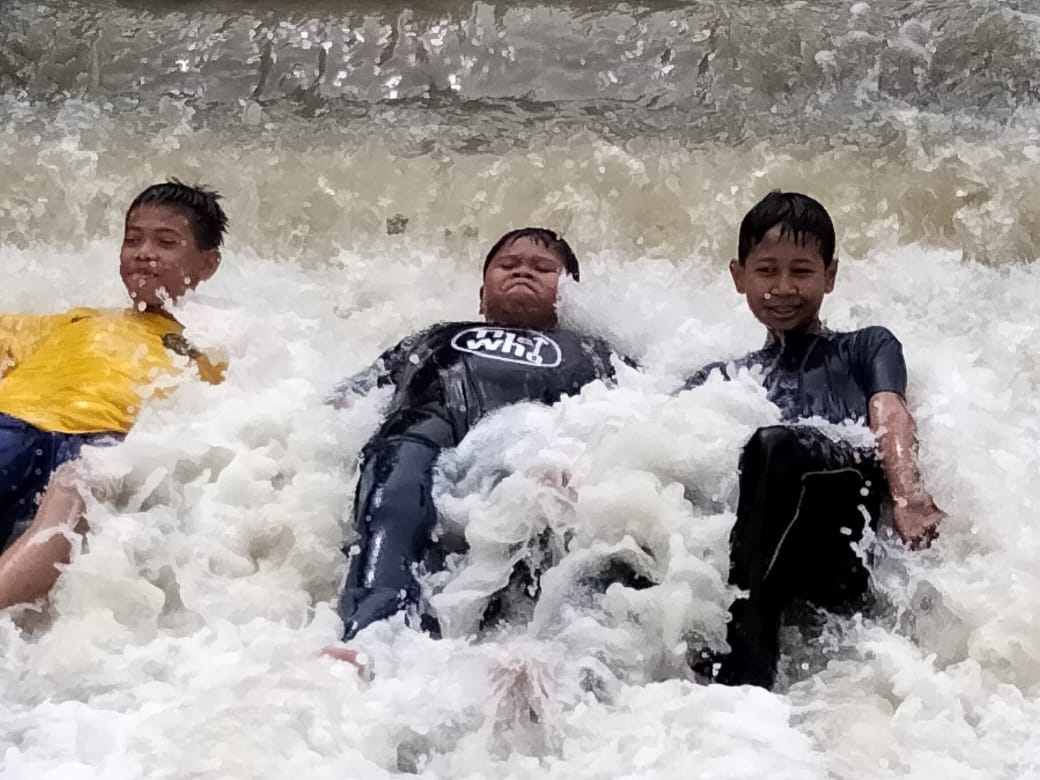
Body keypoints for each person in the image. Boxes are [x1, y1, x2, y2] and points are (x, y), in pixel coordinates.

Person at [684, 191, 945, 689]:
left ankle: (746, 671)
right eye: (767, 271)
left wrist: (909, 493)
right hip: (762, 551)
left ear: (830, 275)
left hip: (842, 534)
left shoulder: (865, 345)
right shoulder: (721, 378)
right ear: (739, 276)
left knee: (775, 446)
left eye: (801, 272)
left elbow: (888, 409)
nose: (783, 288)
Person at [330, 228, 625, 645]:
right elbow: (356, 394)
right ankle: (376, 628)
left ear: (571, 298)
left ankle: (546, 642)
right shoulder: (436, 335)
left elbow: (640, 412)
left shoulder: (592, 350)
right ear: (482, 295)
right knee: (395, 482)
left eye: (542, 268)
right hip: (426, 429)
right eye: (507, 265)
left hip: (529, 441)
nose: (523, 271)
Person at [0, 180, 227, 609]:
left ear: (207, 263)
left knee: (76, 487)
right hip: (15, 419)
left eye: (166, 242)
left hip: (102, 441)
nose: (144, 252)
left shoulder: (208, 342)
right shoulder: (75, 320)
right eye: (133, 239)